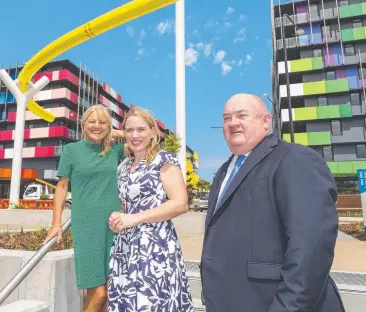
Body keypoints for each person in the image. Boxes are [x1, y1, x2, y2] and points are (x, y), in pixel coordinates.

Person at [201, 94, 346, 312]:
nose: (232, 123)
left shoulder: (294, 158)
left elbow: (310, 247)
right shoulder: (223, 171)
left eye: (242, 115)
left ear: (266, 121)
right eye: (226, 118)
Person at [108, 107, 194, 312]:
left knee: (153, 302)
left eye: (141, 129)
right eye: (129, 130)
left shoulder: (163, 159)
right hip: (126, 248)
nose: (135, 135)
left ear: (152, 132)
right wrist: (117, 218)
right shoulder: (124, 166)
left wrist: (133, 219)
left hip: (155, 249)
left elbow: (180, 203)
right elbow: (125, 206)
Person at [43, 105, 126, 312]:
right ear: (83, 124)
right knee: (99, 294)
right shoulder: (71, 150)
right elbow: (61, 188)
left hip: (114, 226)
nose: (96, 126)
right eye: (92, 121)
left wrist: (114, 132)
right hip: (87, 226)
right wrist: (56, 223)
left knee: (110, 293)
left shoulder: (115, 151)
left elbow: (149, 138)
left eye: (102, 122)